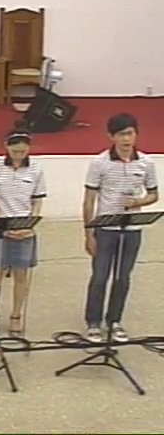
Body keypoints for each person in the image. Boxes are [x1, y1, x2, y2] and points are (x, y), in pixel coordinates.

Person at [82, 113, 158, 343]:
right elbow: (89, 200)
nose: (126, 139)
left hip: (132, 229)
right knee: (100, 276)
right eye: (121, 134)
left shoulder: (146, 163)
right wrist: (88, 233)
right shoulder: (99, 163)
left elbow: (153, 194)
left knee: (122, 277)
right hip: (105, 229)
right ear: (111, 136)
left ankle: (114, 320)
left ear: (136, 134)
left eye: (130, 134)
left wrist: (138, 202)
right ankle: (93, 322)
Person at [0, 122, 46, 337]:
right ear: (6, 147)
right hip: (1, 226)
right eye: (15, 151)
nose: (19, 155)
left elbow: (37, 201)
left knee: (21, 274)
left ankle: (16, 315)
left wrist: (30, 224)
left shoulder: (36, 169)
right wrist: (0, 222)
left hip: (24, 228)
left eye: (23, 151)